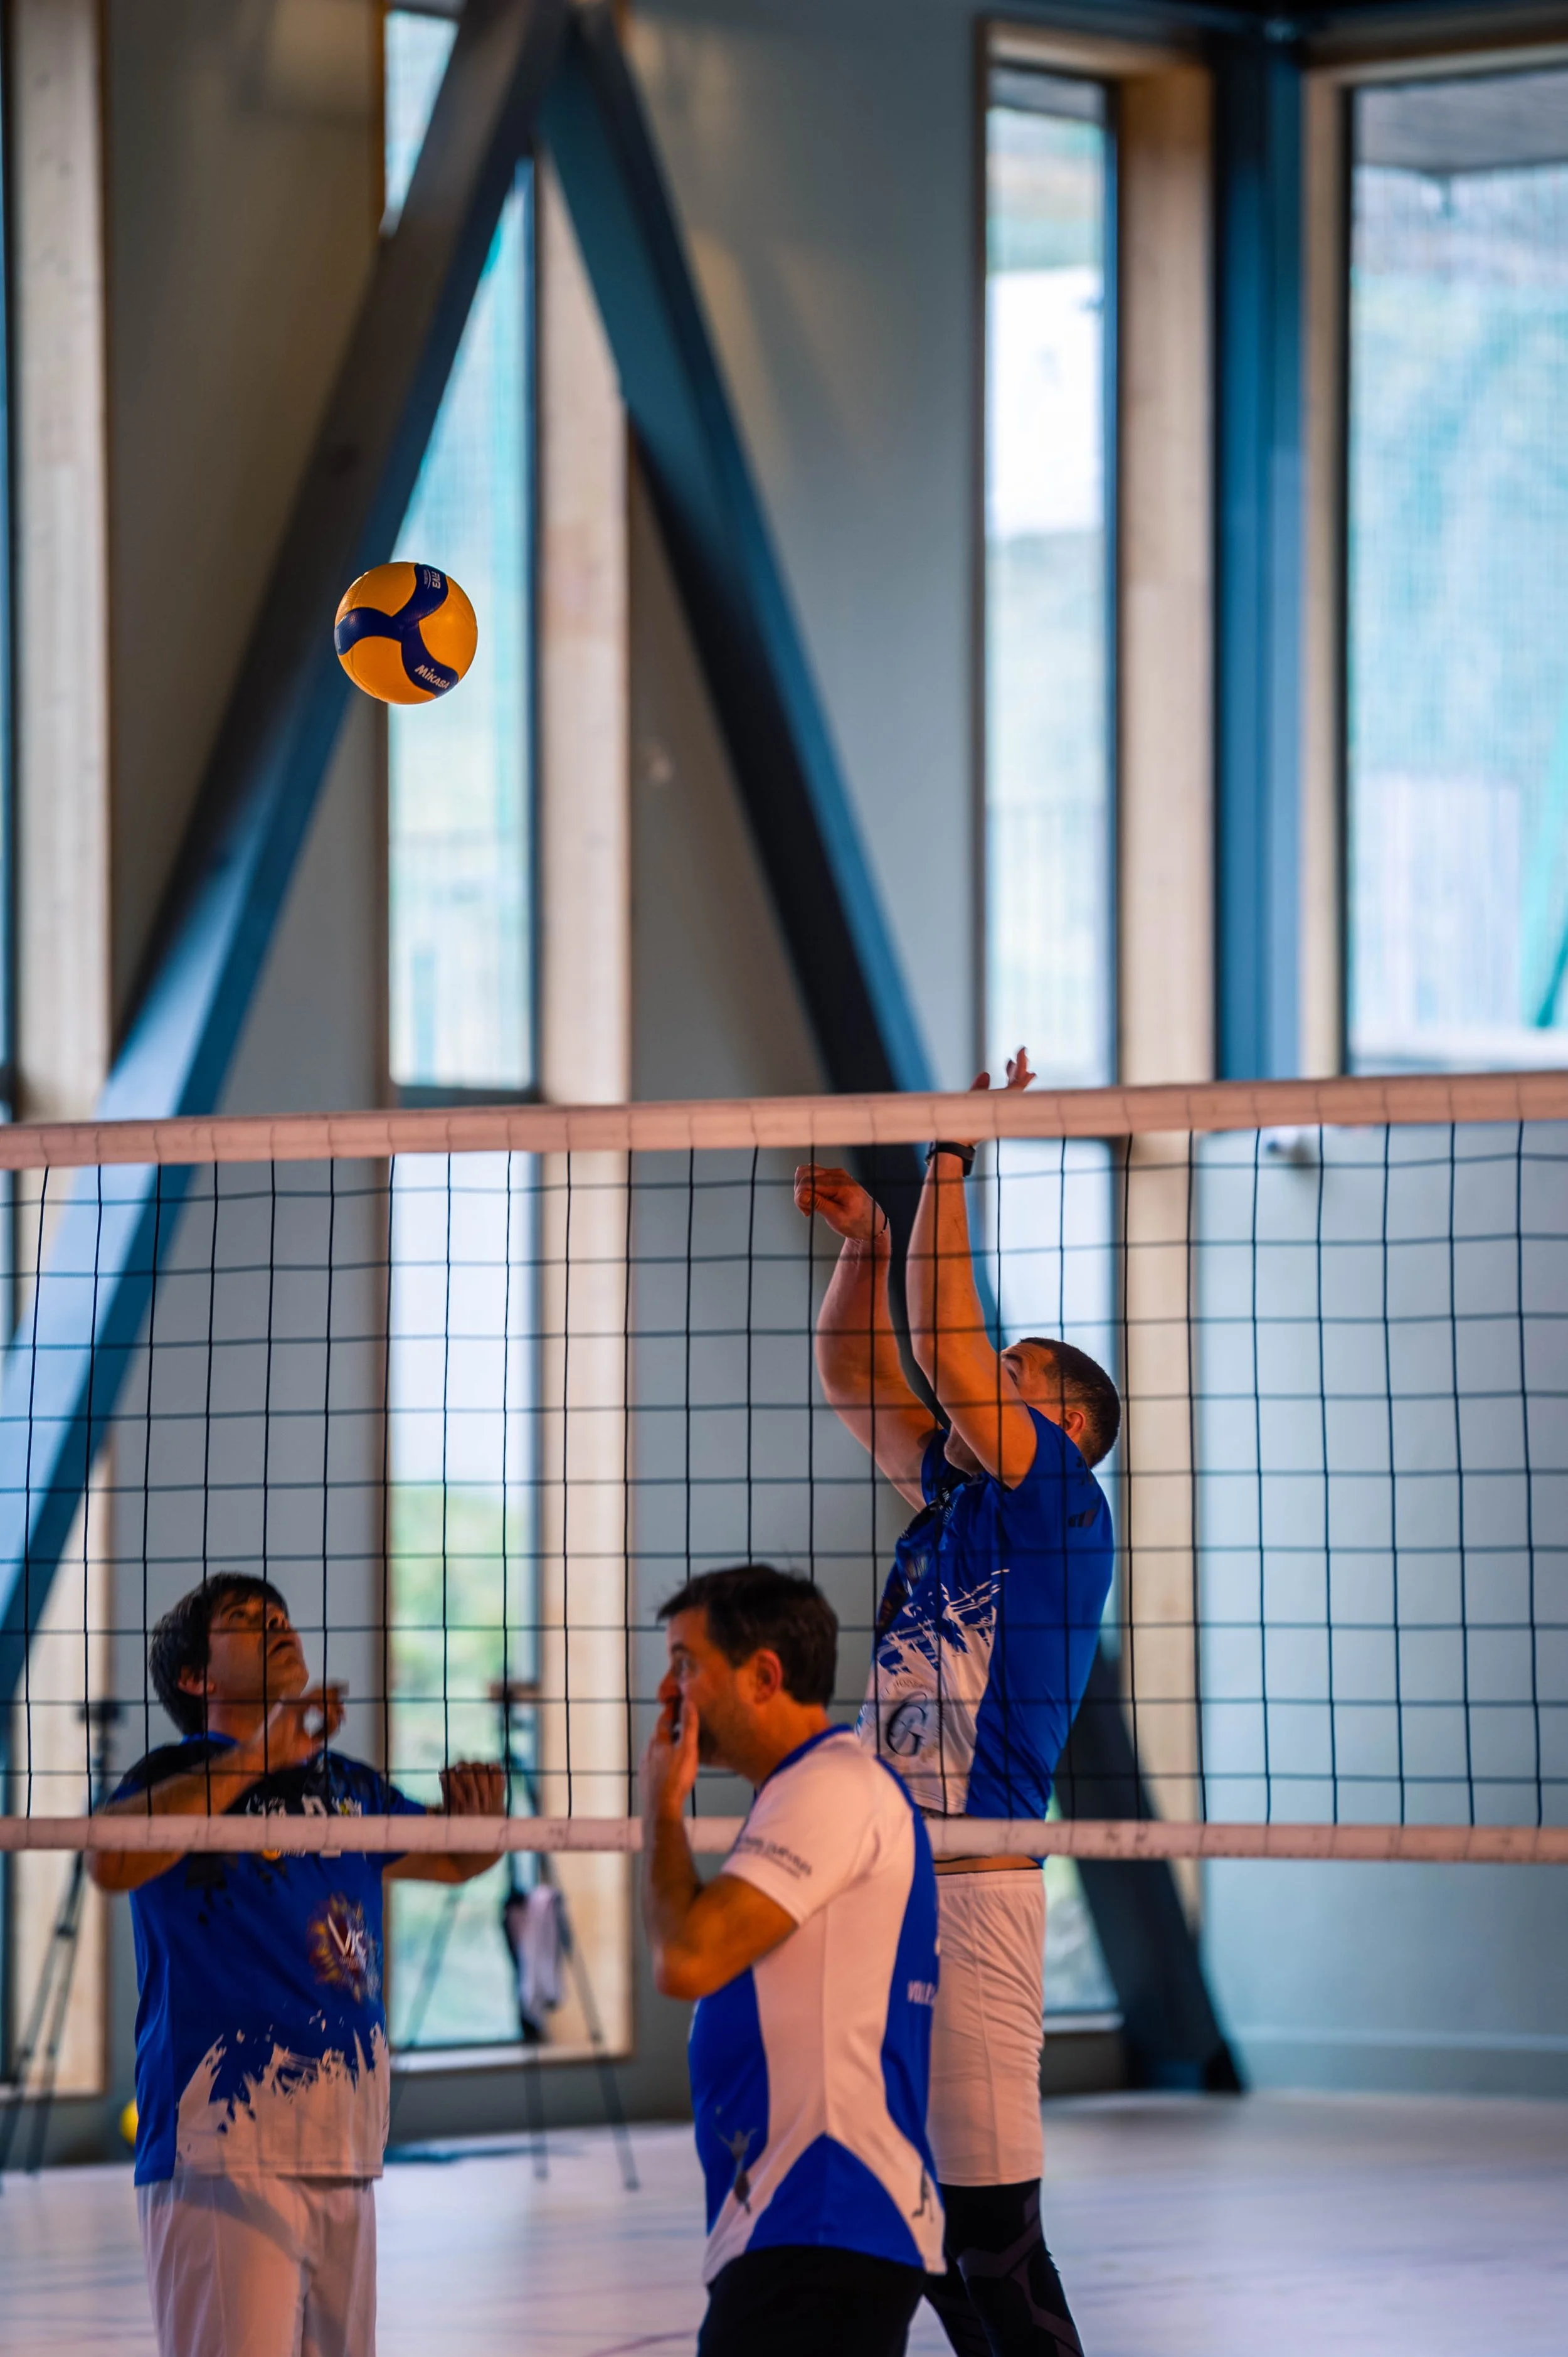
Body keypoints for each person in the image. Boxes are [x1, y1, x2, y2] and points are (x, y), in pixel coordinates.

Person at [795, 1050, 1118, 2357]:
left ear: (1058, 1421)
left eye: (1017, 1364)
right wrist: (868, 1249)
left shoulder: (1054, 1506)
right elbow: (858, 1380)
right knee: (893, 2219)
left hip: (977, 1885)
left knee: (991, 2241)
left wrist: (946, 1158)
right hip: (884, 1886)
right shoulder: (953, 1500)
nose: (986, 1369)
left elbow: (940, 1346)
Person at [90, 1572, 505, 2357]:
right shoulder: (171, 1778)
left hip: (346, 2140)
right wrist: (259, 1757)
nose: (274, 1621)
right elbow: (110, 1857)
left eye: (276, 1612)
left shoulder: (344, 1784)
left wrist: (481, 1831)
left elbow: (452, 1859)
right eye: (244, 1619)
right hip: (222, 2141)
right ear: (197, 1678)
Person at [640, 1562, 945, 2357]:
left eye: (686, 1665)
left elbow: (686, 1956)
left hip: (823, 2214)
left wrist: (660, 1810)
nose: (669, 1693)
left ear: (764, 1676)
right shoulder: (802, 1791)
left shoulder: (832, 1788)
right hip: (804, 2223)